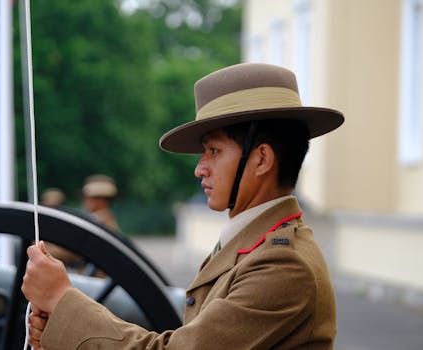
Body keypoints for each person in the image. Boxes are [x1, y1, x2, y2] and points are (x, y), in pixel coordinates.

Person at [22, 62, 344, 349]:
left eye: (214, 151)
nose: (199, 168)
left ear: (261, 159)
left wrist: (63, 301)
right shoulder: (252, 247)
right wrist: (62, 328)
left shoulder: (284, 266)